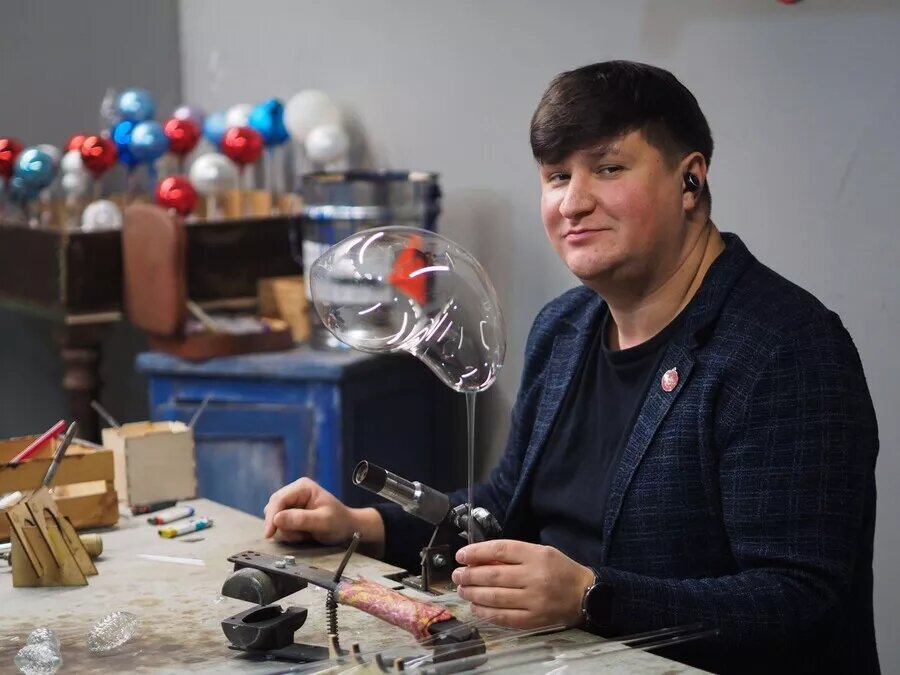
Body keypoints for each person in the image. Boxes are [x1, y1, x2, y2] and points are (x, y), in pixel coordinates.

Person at [264, 61, 879, 674]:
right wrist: (362, 526)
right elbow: (505, 505)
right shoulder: (565, 327)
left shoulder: (783, 349)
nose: (574, 203)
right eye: (557, 176)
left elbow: (797, 600)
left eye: (608, 169)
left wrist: (590, 597)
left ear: (690, 181)